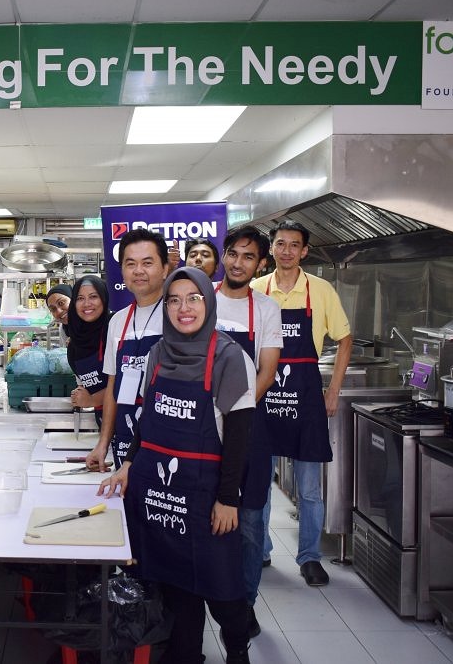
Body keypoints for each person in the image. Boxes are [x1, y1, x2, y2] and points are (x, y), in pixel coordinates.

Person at [99, 266, 254, 664]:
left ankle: (238, 641)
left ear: (208, 301)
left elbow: (239, 438)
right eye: (174, 300)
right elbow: (146, 420)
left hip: (206, 495)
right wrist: (129, 463)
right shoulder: (157, 354)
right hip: (160, 492)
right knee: (177, 586)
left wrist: (228, 498)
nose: (184, 308)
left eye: (193, 298)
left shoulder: (229, 357)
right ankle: (187, 655)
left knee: (223, 592)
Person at [250, 220, 352, 588]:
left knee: (309, 488)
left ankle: (309, 557)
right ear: (272, 249)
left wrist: (334, 389)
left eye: (295, 245)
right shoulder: (257, 290)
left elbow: (344, 339)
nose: (287, 250)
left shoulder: (321, 291)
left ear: (304, 251)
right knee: (259, 484)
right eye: (281, 244)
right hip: (265, 396)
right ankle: (259, 550)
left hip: (307, 398)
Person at [215, 227, 282, 638]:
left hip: (248, 428)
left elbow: (267, 371)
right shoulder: (201, 298)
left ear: (261, 264)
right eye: (233, 254)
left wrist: (233, 415)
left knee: (251, 522)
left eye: (248, 257)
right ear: (224, 255)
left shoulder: (267, 309)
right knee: (209, 517)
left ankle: (245, 605)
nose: (238, 263)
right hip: (203, 427)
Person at [87, 228, 172, 470]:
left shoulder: (178, 316)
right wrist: (103, 443)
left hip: (166, 440)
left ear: (165, 268)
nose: (138, 271)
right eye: (130, 263)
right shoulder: (117, 321)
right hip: (124, 438)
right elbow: (113, 385)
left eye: (148, 263)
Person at [66, 275, 113, 426]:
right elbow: (83, 384)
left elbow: (127, 383)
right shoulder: (74, 346)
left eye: (93, 296)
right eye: (80, 298)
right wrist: (79, 394)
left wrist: (92, 400)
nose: (87, 304)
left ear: (104, 299)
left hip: (129, 418)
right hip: (103, 420)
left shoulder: (115, 328)